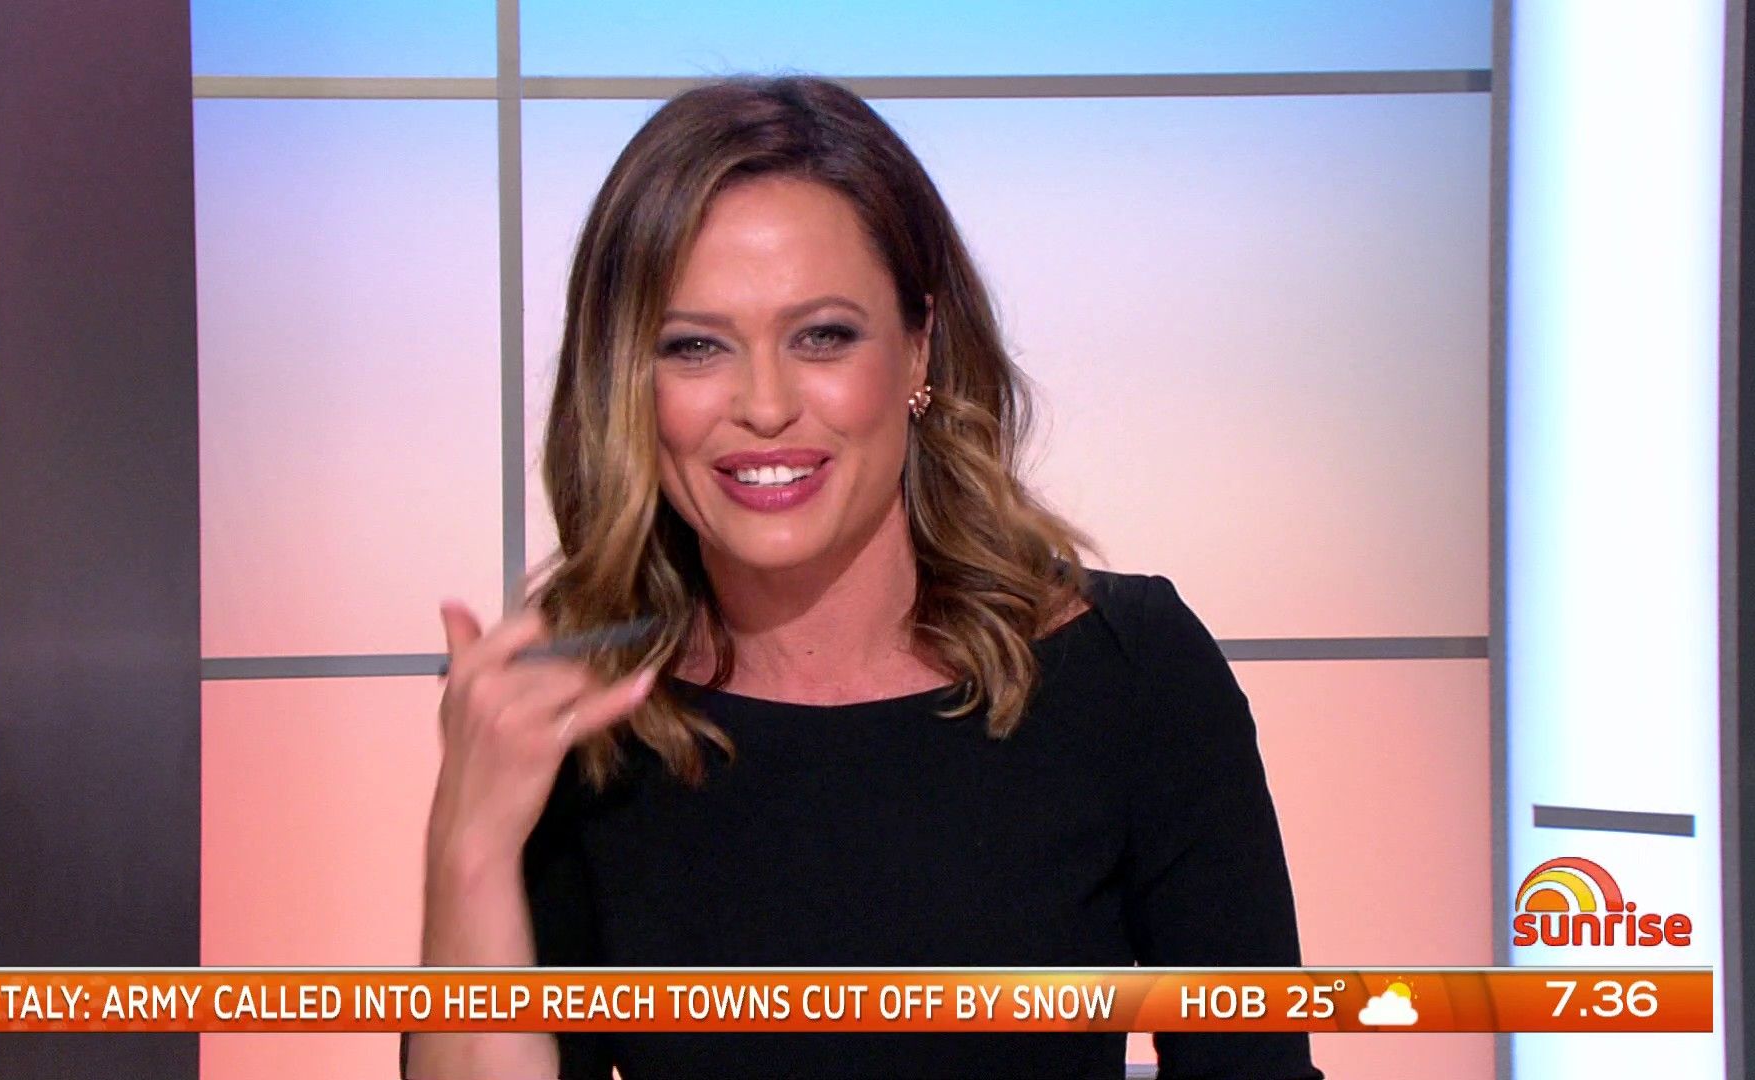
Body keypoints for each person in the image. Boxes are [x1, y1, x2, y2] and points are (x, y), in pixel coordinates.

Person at [403, 75, 1321, 1080]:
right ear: (626, 381)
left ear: (919, 347)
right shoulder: (579, 714)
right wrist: (470, 849)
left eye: (823, 336)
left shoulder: (1129, 672)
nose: (764, 406)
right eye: (695, 346)